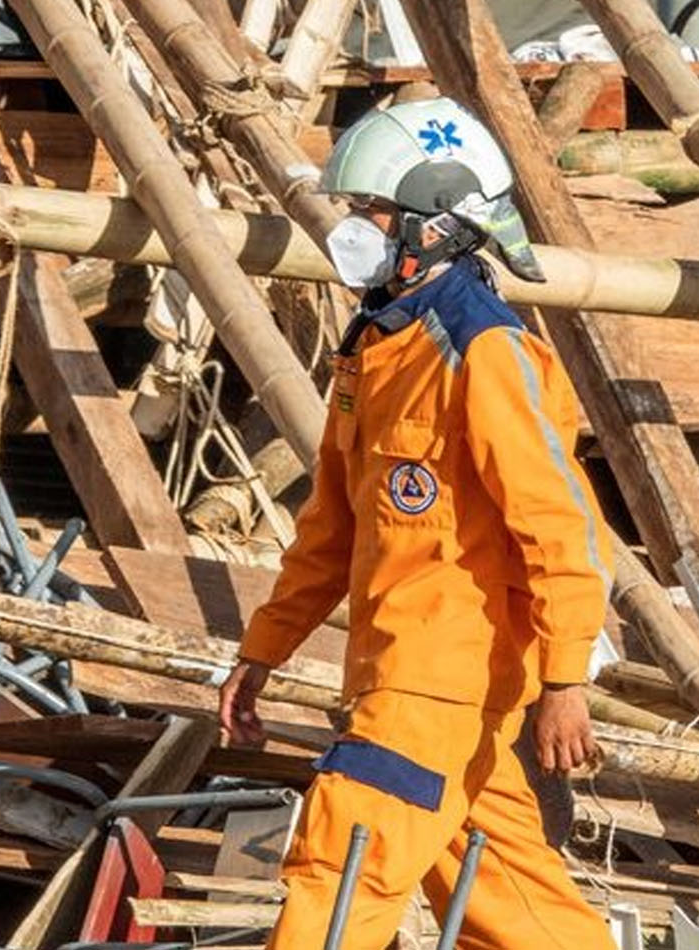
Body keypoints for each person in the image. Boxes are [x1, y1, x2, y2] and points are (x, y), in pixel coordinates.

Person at [217, 98, 615, 950]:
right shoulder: (374, 349)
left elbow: (561, 523)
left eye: (372, 213)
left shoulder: (486, 350)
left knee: (338, 873)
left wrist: (566, 679)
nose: (355, 228)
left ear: (437, 225)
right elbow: (330, 527)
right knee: (514, 908)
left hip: (438, 682)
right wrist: (262, 651)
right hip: (403, 678)